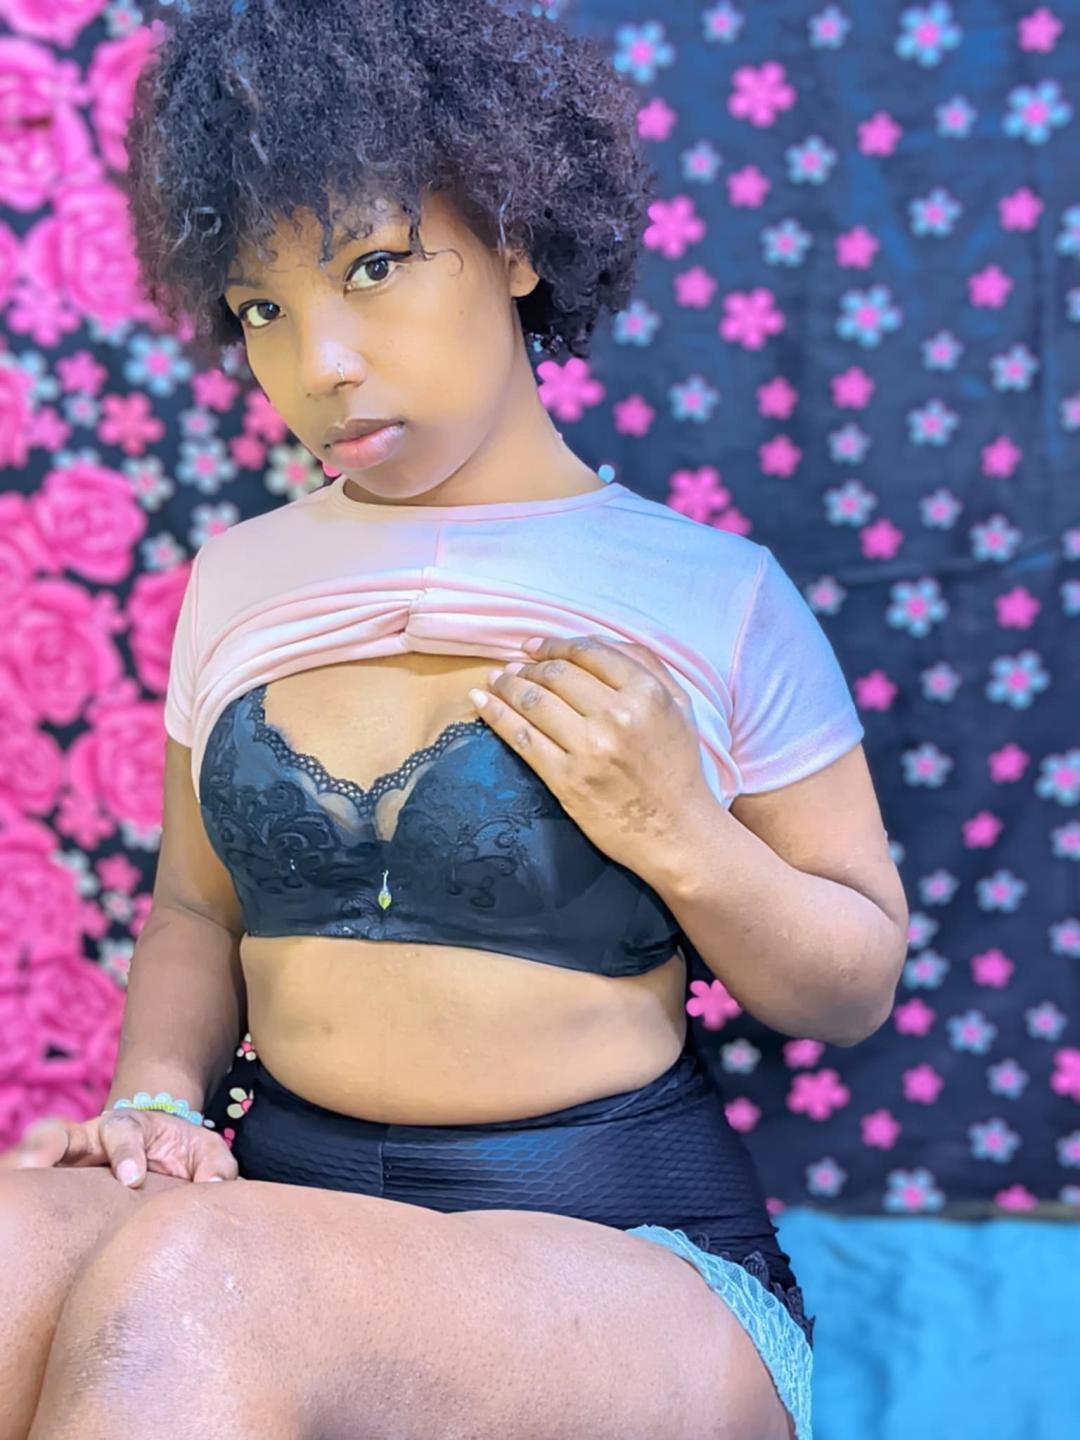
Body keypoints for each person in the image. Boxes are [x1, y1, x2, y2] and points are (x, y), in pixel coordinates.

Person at [0, 2, 908, 1437]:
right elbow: (194, 909)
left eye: (372, 267)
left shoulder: (715, 595)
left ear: (515, 240)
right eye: (262, 308)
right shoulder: (237, 580)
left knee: (197, 1285)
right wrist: (160, 1106)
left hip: (620, 1245)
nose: (320, 363)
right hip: (271, 1206)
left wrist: (684, 835)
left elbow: (851, 991)